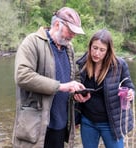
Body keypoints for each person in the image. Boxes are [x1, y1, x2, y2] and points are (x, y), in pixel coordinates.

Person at [12, 7, 90, 148]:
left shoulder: (69, 48)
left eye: (75, 33)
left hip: (60, 124)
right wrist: (60, 86)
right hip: (35, 125)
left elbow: (75, 76)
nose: (73, 36)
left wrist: (77, 90)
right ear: (57, 24)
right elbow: (22, 76)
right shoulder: (32, 42)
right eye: (70, 31)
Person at [75, 29, 136, 148]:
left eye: (102, 50)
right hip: (88, 121)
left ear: (108, 51)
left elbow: (130, 87)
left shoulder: (119, 65)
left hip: (111, 124)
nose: (96, 53)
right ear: (90, 46)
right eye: (94, 48)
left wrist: (130, 93)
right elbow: (75, 89)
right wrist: (76, 117)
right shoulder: (82, 64)